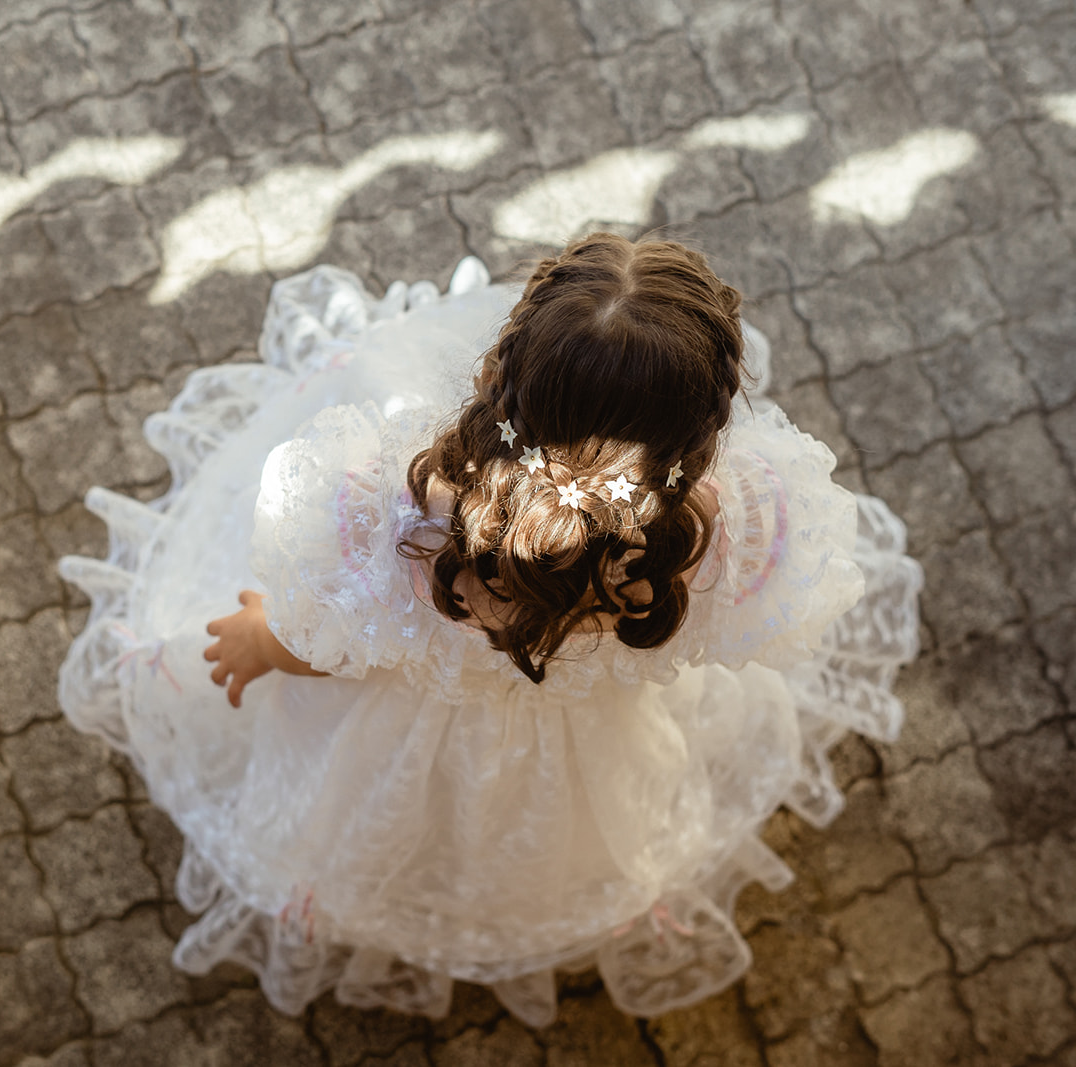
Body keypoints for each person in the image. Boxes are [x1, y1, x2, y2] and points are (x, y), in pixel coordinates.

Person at [57, 233, 923, 1026]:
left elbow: (336, 642)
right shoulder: (725, 528)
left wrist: (262, 639)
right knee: (539, 835)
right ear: (700, 434)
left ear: (503, 371)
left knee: (396, 814)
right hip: (579, 744)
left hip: (405, 737)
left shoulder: (396, 512)